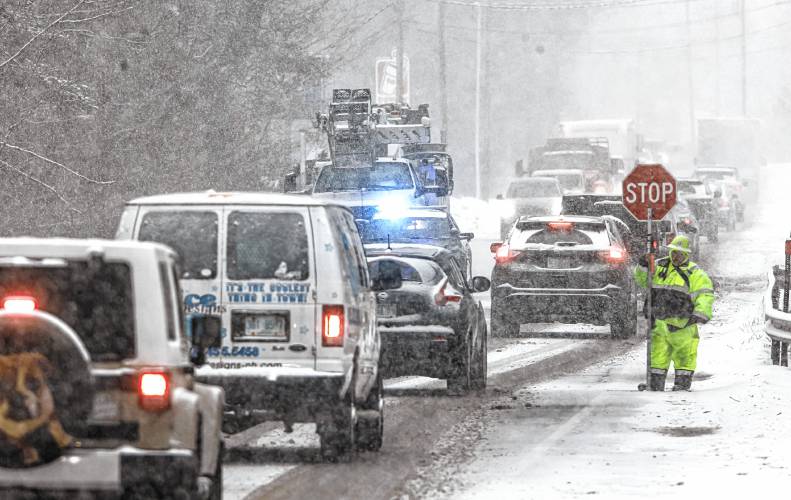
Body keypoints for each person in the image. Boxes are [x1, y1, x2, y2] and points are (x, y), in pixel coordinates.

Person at [634, 235, 714, 391]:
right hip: (659, 323)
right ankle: (655, 385)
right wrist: (643, 265)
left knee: (684, 356)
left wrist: (700, 313)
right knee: (657, 357)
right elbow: (642, 280)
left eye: (680, 253)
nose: (676, 256)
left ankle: (681, 387)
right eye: (674, 252)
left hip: (682, 325)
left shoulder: (695, 273)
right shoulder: (660, 266)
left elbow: (705, 294)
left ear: (687, 255)